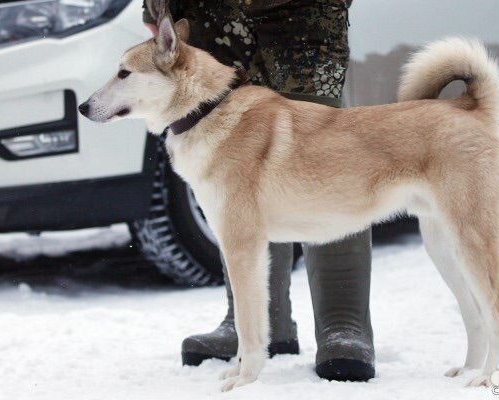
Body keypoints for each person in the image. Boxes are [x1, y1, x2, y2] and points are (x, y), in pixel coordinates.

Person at [144, 0, 375, 381]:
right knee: (235, 169)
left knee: (320, 158)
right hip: (208, 13)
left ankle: (342, 322)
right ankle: (257, 324)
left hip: (300, 12)